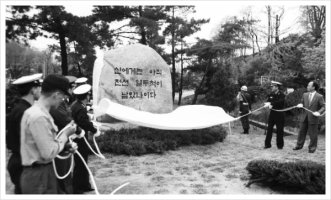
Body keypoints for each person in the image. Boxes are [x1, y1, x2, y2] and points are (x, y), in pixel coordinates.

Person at [20, 74, 78, 194]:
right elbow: (48, 153)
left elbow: (42, 145)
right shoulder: (39, 117)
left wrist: (65, 147)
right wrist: (65, 135)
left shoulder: (36, 112)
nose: (62, 100)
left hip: (41, 172)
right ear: (56, 95)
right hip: (38, 176)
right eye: (63, 97)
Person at [6, 73, 42, 194]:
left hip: (18, 161)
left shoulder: (19, 108)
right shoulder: (26, 112)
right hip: (24, 164)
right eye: (39, 87)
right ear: (33, 90)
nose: (41, 90)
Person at [49, 75, 81, 194]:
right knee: (63, 178)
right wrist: (74, 131)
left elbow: (69, 117)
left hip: (63, 143)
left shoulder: (64, 102)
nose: (72, 90)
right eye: (71, 87)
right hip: (59, 144)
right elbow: (65, 120)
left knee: (67, 176)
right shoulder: (56, 106)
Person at [71, 84, 98, 194]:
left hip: (78, 138)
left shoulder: (76, 105)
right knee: (81, 163)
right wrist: (94, 130)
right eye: (88, 95)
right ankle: (78, 187)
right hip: (80, 139)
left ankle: (84, 185)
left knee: (82, 162)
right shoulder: (80, 107)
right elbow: (83, 123)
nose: (89, 96)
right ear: (86, 96)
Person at [293, 81, 325, 153]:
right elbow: (302, 103)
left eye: (308, 85)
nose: (307, 87)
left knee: (313, 133)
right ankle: (299, 145)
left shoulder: (319, 96)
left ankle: (312, 148)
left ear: (313, 87)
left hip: (313, 118)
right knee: (301, 132)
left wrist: (318, 112)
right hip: (304, 117)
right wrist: (300, 105)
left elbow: (324, 106)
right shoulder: (305, 95)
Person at [264, 81, 285, 149]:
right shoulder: (271, 94)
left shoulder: (282, 94)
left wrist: (272, 104)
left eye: (273, 87)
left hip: (279, 114)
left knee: (279, 130)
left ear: (277, 87)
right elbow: (268, 101)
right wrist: (266, 104)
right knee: (269, 129)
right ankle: (267, 144)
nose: (271, 88)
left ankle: (280, 145)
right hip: (272, 114)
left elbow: (280, 102)